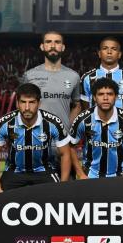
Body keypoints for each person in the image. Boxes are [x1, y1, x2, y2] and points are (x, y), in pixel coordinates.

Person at [0, 83, 71, 194]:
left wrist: (63, 185)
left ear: (39, 103)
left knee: (56, 199)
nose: (27, 107)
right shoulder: (4, 123)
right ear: (17, 103)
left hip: (44, 170)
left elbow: (65, 153)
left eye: (32, 102)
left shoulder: (53, 123)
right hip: (14, 171)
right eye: (23, 102)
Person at [22, 31, 80, 175]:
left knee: (67, 192)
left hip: (62, 144)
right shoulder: (30, 75)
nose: (53, 46)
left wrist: (67, 127)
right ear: (42, 46)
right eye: (48, 42)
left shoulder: (73, 76)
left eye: (57, 42)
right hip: (36, 143)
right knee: (36, 193)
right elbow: (22, 106)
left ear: (63, 47)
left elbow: (77, 105)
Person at [69, 78, 123, 178]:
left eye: (110, 94)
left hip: (121, 175)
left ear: (116, 97)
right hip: (91, 175)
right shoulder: (82, 119)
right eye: (101, 94)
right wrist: (80, 173)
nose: (105, 98)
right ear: (94, 98)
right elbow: (70, 146)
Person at [80, 36, 123, 116]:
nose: (109, 52)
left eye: (114, 49)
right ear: (99, 53)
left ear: (119, 54)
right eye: (105, 48)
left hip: (122, 127)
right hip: (95, 127)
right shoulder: (87, 78)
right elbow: (85, 108)